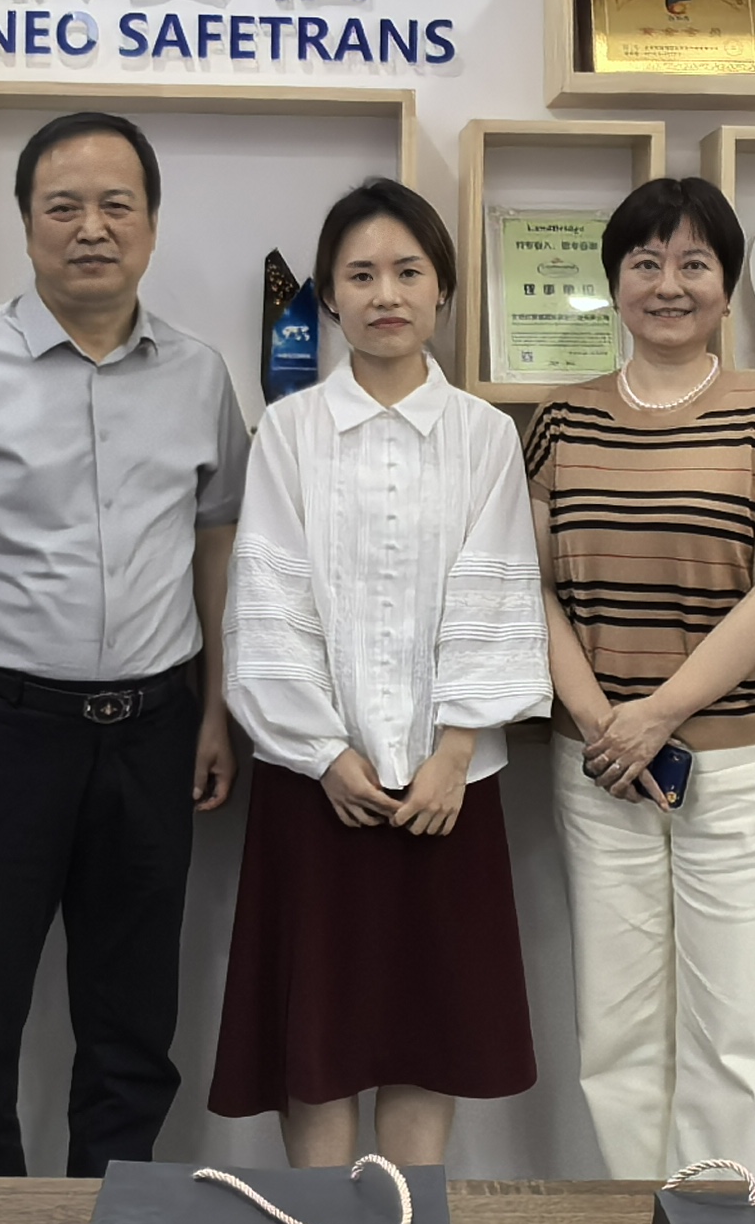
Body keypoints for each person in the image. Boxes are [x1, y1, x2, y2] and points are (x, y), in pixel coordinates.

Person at [0, 110, 248, 1175]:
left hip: (153, 731)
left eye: (116, 205)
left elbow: (215, 550)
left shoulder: (199, 374)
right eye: (64, 207)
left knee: (133, 1029)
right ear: (27, 223)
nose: (92, 228)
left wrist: (214, 712)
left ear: (151, 224)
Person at [212, 180, 550, 1167]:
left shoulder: (485, 434)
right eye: (359, 275)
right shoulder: (288, 431)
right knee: (315, 1038)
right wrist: (323, 753)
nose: (385, 294)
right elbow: (266, 598)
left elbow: (498, 591)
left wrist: (453, 753)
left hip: (450, 787)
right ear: (328, 296)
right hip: (315, 785)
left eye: (407, 271)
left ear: (443, 288)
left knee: (426, 1032)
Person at [523, 176, 755, 1180]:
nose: (668, 284)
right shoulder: (559, 420)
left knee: (735, 1034)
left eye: (693, 263)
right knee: (616, 1030)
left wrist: (654, 714)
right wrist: (601, 722)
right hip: (598, 763)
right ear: (614, 282)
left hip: (739, 764)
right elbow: (530, 588)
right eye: (645, 262)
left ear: (725, 286)